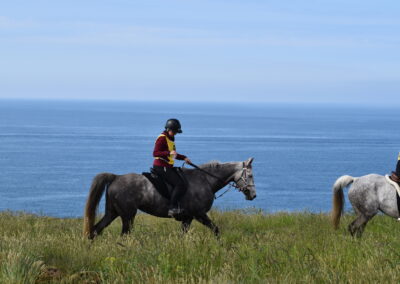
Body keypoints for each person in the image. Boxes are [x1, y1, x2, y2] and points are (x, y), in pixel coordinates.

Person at [152, 118, 192, 217]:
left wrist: (184, 158)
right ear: (169, 129)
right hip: (161, 166)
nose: (175, 134)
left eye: (176, 132)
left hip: (168, 166)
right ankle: (172, 207)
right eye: (174, 131)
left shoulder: (170, 139)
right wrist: (168, 152)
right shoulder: (162, 138)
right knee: (180, 184)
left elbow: (173, 155)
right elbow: (155, 153)